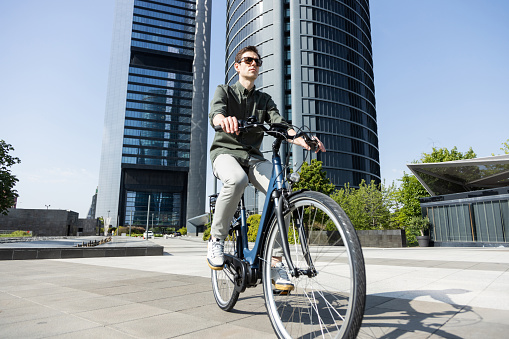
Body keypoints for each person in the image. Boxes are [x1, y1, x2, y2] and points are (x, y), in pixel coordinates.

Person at [207, 46, 325, 291]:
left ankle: (275, 261)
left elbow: (281, 125)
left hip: (253, 158)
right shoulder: (225, 91)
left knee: (283, 190)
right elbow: (216, 114)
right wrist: (224, 120)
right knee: (236, 180)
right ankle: (216, 239)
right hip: (225, 153)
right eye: (248, 60)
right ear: (237, 66)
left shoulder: (264, 100)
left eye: (257, 61)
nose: (253, 64)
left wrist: (303, 138)